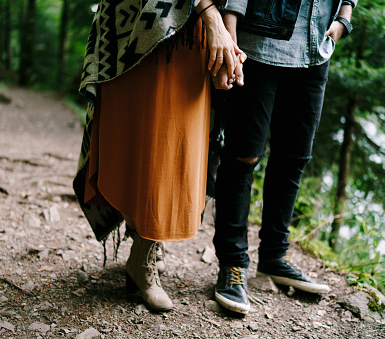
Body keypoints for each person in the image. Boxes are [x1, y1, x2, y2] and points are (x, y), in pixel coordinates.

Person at [72, 0, 245, 312]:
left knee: (173, 148)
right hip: (138, 23)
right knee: (137, 139)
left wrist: (226, 36)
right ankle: (143, 243)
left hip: (192, 33)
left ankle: (144, 251)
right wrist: (211, 16)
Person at [210, 0, 357, 314]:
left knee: (294, 159)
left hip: (316, 48)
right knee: (242, 158)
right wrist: (230, 31)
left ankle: (275, 256)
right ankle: (233, 265)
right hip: (258, 45)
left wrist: (344, 17)